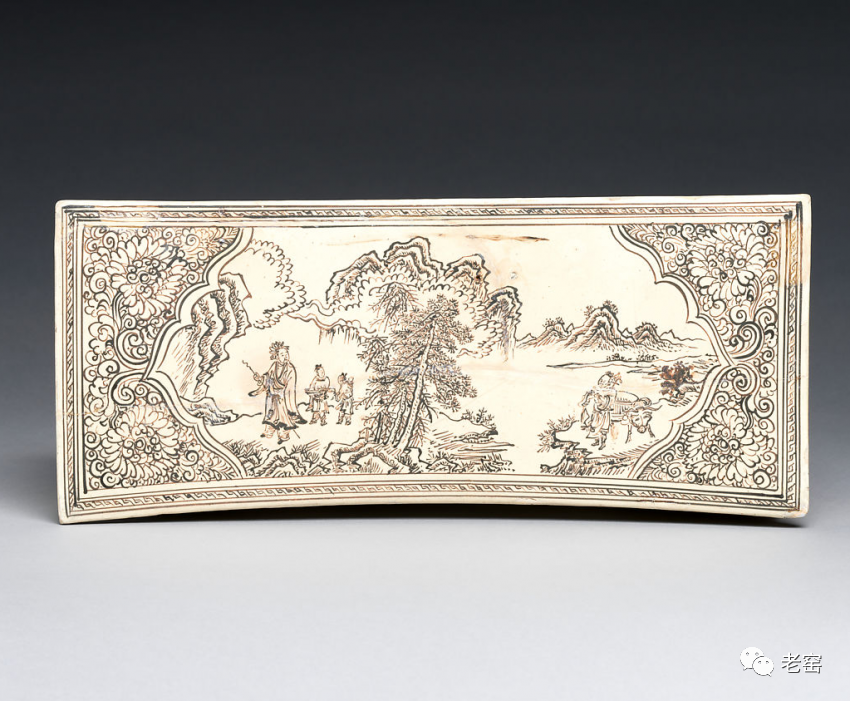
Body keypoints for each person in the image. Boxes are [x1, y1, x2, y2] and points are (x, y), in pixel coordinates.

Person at [251, 342, 303, 444]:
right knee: (270, 415)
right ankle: (268, 432)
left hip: (282, 397)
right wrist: (260, 379)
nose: (286, 356)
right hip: (272, 396)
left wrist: (282, 394)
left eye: (286, 354)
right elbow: (268, 377)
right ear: (277, 356)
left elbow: (290, 386)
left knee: (283, 417)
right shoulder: (274, 365)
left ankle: (283, 435)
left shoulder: (290, 368)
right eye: (282, 354)